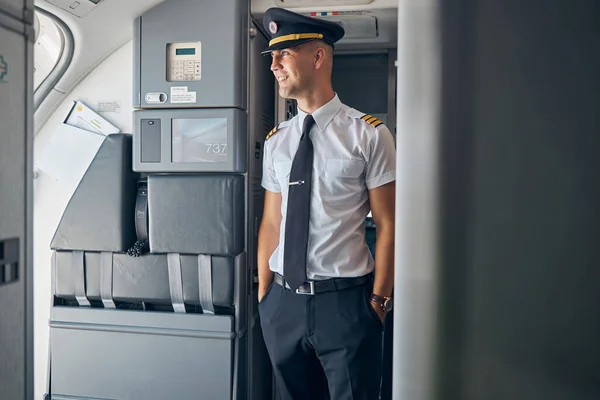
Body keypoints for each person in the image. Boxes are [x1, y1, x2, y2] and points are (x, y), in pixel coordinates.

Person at [257, 7, 396, 400]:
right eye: (272, 57)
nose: (274, 66)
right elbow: (272, 220)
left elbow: (388, 224)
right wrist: (266, 296)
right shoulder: (276, 141)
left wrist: (379, 302)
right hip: (282, 305)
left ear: (317, 57)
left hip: (347, 305)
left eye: (284, 54)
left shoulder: (368, 135)